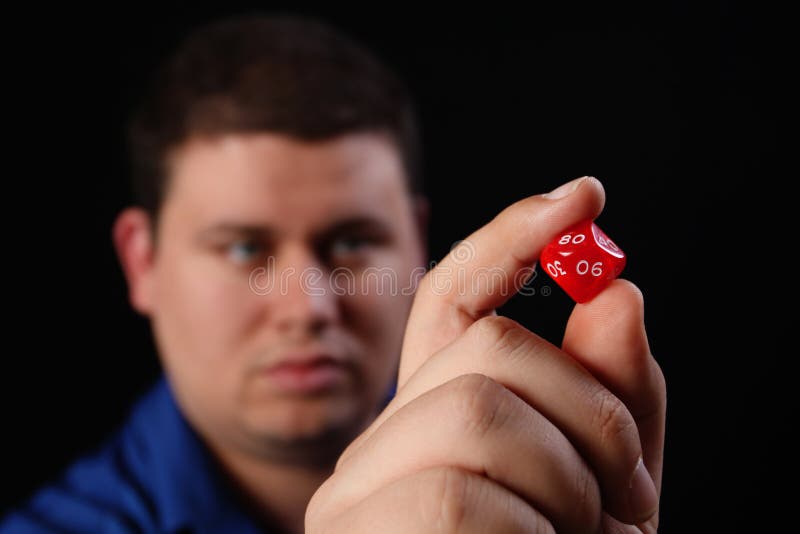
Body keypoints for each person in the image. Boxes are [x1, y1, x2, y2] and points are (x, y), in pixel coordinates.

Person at [1, 11, 666, 534]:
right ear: (141, 262)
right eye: (242, 250)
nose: (309, 307)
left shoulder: (566, 480)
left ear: (416, 246)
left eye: (352, 242)